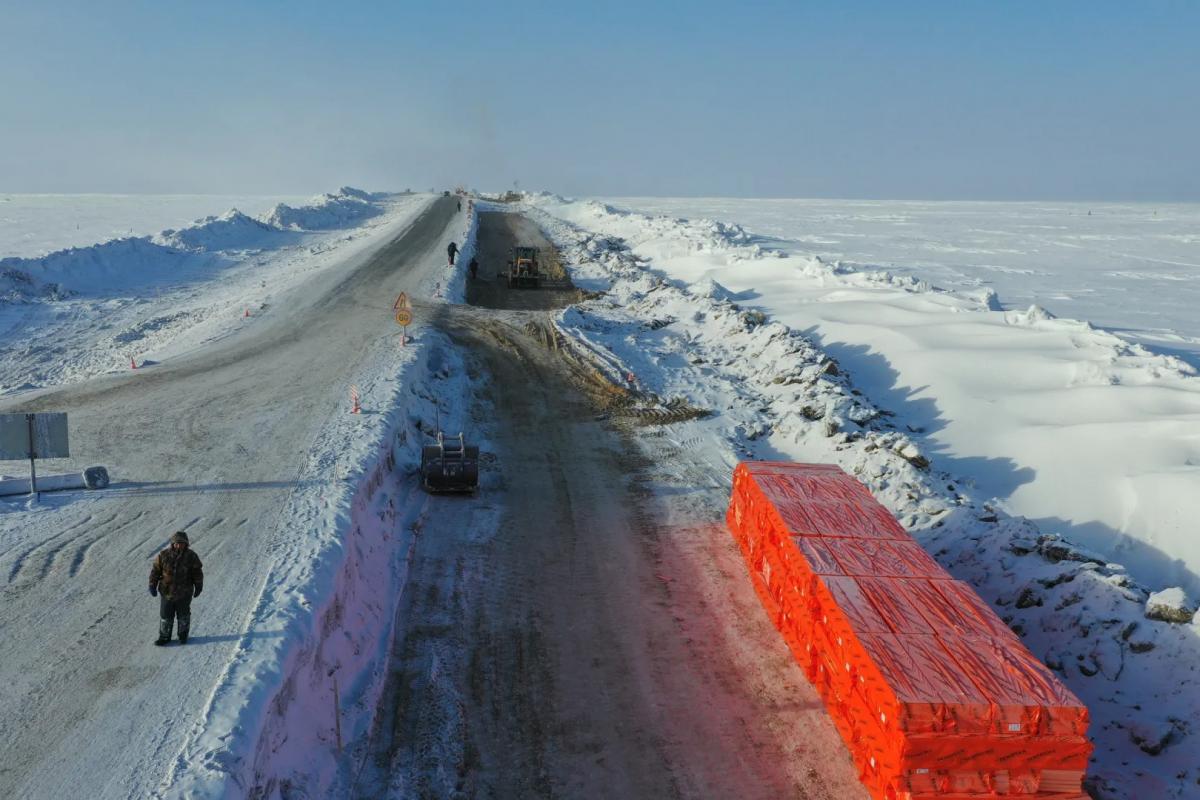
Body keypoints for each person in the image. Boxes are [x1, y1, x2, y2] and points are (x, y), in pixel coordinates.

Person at [149, 531, 204, 645]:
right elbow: (155, 571)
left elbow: (197, 572)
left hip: (184, 592)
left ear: (186, 544)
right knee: (165, 615)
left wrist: (198, 586)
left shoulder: (191, 556)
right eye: (176, 543)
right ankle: (164, 637)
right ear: (173, 543)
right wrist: (152, 584)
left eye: (182, 543)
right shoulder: (163, 555)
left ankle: (183, 635)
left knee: (183, 614)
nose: (179, 545)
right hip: (166, 592)